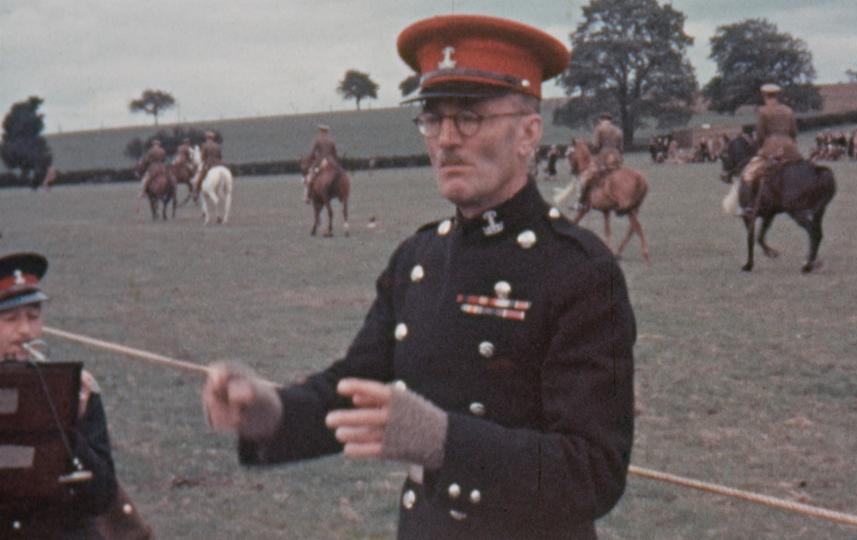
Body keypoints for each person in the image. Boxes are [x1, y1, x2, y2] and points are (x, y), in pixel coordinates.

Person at [202, 14, 636, 540]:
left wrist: (443, 441)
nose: (447, 139)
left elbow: (593, 472)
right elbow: (357, 389)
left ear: (527, 134)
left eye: (470, 117)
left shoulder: (578, 269)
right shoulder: (417, 258)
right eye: (434, 118)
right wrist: (268, 408)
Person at [0, 252, 119, 538]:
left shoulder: (73, 390)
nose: (25, 331)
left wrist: (68, 427)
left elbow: (102, 496)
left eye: (33, 316)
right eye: (9, 319)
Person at [741, 83, 803, 190]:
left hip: (770, 147)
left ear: (764, 95)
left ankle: (752, 203)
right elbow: (794, 132)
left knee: (749, 174)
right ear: (777, 95)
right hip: (790, 148)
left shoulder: (763, 111)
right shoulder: (788, 110)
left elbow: (760, 133)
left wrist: (760, 147)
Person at [304, 124, 343, 203]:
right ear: (327, 131)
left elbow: (312, 153)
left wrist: (309, 160)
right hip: (331, 161)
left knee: (310, 177)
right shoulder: (332, 140)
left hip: (320, 161)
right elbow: (335, 154)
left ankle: (308, 197)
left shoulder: (317, 140)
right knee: (340, 173)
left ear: (321, 131)